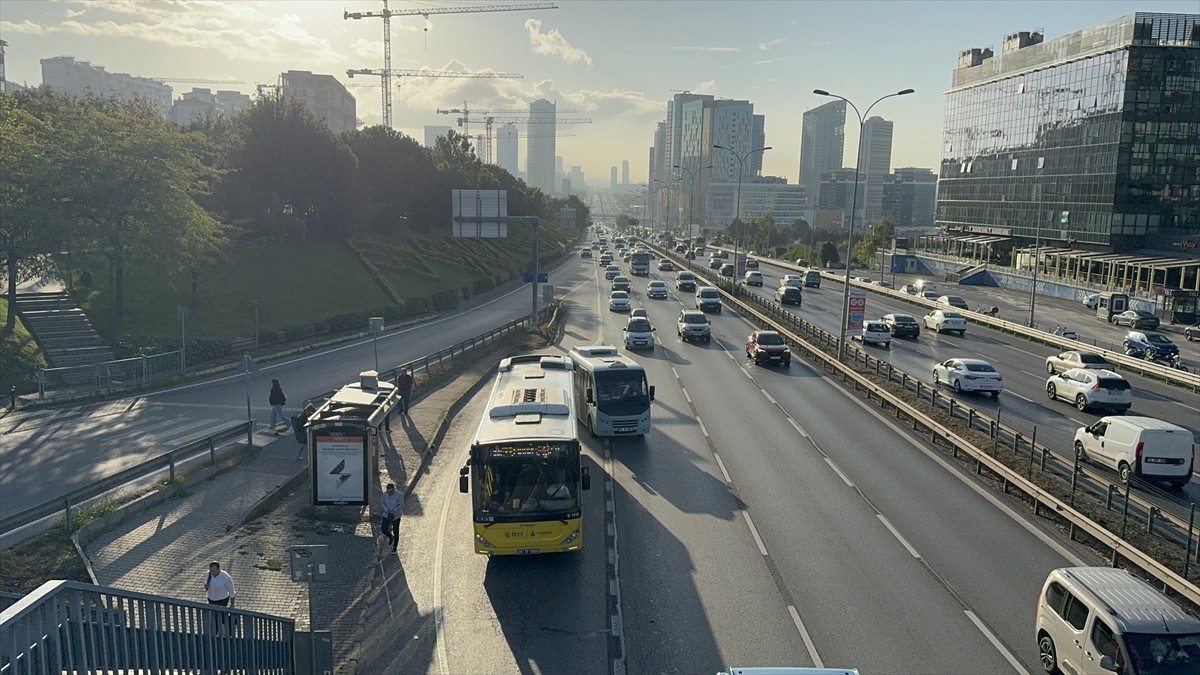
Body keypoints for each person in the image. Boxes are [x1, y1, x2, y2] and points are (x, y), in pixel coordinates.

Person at [204, 561, 236, 632]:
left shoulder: (226, 578)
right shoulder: (208, 574)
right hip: (211, 599)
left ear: (219, 569)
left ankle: (217, 631)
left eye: (214, 571)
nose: (212, 573)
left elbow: (231, 592)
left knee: (219, 616)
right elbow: (206, 583)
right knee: (215, 616)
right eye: (211, 571)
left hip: (222, 600)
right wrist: (206, 586)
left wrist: (232, 604)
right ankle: (218, 629)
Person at [380, 483, 404, 553]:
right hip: (386, 515)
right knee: (383, 529)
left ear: (393, 489)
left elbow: (401, 504)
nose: (389, 493)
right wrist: (386, 509)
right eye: (388, 492)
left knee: (396, 531)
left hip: (396, 516)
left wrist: (395, 510)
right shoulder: (385, 495)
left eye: (390, 492)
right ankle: (390, 536)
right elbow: (382, 502)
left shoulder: (399, 495)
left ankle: (395, 547)